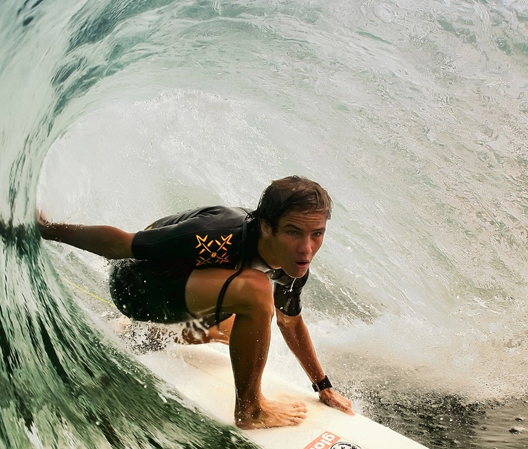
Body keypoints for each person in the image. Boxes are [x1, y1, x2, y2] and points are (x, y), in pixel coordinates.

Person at [37, 176, 354, 429]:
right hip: (136, 287)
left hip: (183, 293)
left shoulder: (293, 265)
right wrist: (47, 230)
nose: (307, 248)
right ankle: (251, 409)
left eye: (317, 234)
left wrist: (322, 386)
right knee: (256, 294)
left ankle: (147, 335)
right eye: (293, 232)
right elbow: (121, 244)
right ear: (267, 227)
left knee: (244, 334)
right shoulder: (218, 234)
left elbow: (290, 322)